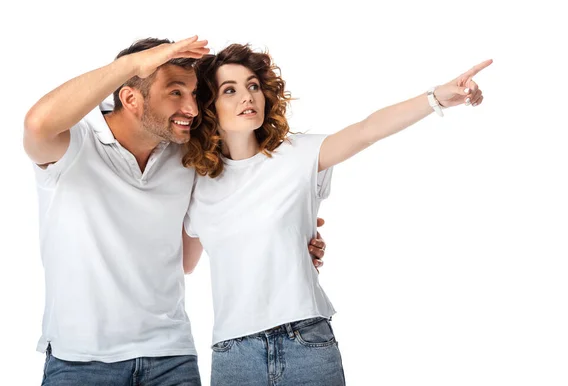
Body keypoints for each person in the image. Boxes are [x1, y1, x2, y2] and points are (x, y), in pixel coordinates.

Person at [182, 43, 492, 385]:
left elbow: (367, 130)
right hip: (233, 354)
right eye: (231, 90)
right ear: (209, 107)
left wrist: (435, 97)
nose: (247, 97)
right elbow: (184, 263)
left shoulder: (297, 156)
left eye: (253, 85)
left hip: (305, 343)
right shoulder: (196, 185)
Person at [23, 36, 326, 386]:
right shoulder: (73, 146)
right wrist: (134, 64)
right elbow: (36, 125)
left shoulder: (185, 157)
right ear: (131, 98)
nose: (193, 109)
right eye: (175, 92)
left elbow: (190, 254)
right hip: (81, 361)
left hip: (171, 359)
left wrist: (287, 233)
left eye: (194, 94)